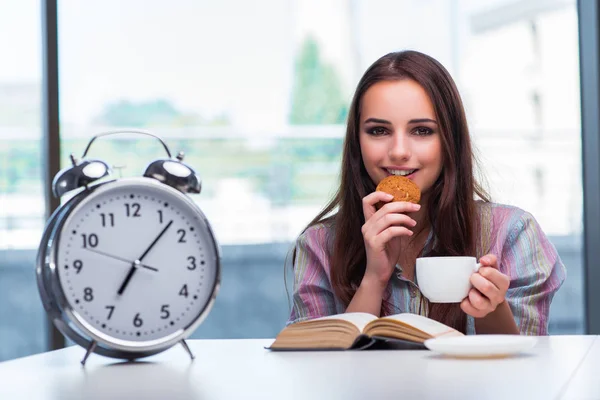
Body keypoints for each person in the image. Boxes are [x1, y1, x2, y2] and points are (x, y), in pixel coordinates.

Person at [287, 50, 566, 335]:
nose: (398, 151)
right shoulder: (319, 245)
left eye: (421, 131)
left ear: (450, 140)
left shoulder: (512, 234)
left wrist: (491, 308)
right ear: (357, 141)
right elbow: (321, 370)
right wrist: (374, 279)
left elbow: (524, 368)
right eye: (379, 131)